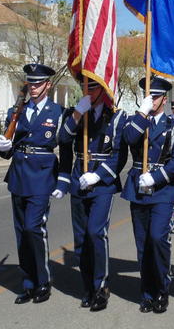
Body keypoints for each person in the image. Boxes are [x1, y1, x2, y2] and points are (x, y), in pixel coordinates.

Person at [57, 77, 128, 311]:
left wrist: (98, 175)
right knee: (82, 238)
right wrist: (77, 114)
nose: (88, 90)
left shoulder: (117, 117)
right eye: (85, 86)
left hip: (102, 182)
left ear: (104, 89)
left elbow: (119, 155)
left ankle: (101, 287)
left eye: (93, 86)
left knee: (96, 233)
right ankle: (87, 287)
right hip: (79, 178)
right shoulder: (75, 114)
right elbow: (63, 139)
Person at [0, 63, 64, 305]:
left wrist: (63, 180)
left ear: (48, 85)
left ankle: (43, 281)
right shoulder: (18, 111)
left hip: (43, 177)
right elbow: (9, 146)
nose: (33, 87)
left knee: (35, 229)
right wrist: (3, 148)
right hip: (19, 176)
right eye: (31, 83)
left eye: (38, 83)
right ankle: (28, 282)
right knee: (22, 233)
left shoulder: (58, 112)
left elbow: (65, 149)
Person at [121, 77, 174, 314]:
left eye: (156, 97)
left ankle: (161, 289)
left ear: (164, 99)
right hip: (138, 187)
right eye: (148, 96)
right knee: (143, 244)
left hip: (161, 189)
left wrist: (157, 177)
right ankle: (147, 292)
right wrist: (142, 112)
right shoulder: (136, 120)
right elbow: (128, 139)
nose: (152, 100)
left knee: (158, 239)